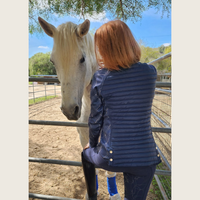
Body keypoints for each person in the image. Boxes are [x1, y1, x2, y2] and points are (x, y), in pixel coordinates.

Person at [81, 20, 161, 200]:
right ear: (130, 42)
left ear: (105, 49)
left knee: (86, 154)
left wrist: (92, 145)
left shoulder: (100, 78)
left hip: (111, 157)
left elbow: (95, 120)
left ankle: (92, 196)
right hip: (145, 158)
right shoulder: (151, 73)